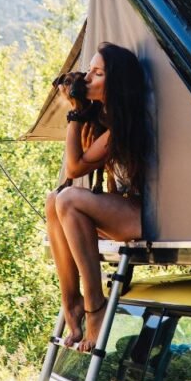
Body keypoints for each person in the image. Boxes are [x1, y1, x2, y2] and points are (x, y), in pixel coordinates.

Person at [45, 42, 148, 352]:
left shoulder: (125, 123)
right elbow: (76, 170)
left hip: (146, 214)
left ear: (116, 82)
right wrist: (82, 113)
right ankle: (71, 301)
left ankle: (95, 305)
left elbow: (75, 167)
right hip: (126, 211)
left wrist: (76, 113)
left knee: (67, 199)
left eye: (97, 73)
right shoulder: (102, 117)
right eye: (88, 70)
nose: (87, 78)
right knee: (55, 200)